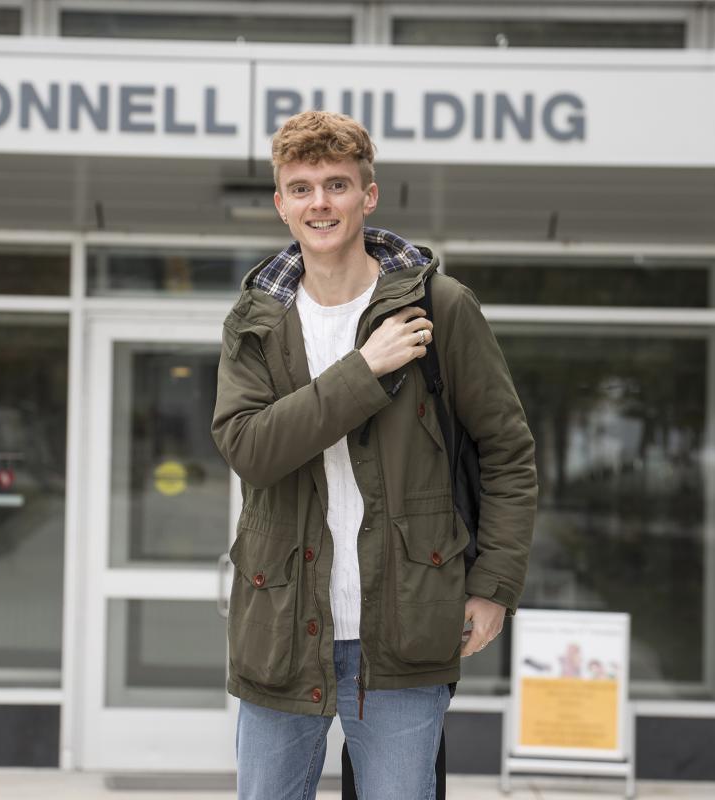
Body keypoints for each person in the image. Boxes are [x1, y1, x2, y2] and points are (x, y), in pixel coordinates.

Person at [211, 110, 537, 800]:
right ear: (280, 203)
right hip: (280, 627)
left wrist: (492, 586)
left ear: (369, 195)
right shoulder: (257, 319)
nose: (319, 203)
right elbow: (250, 449)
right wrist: (363, 371)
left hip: (408, 628)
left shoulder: (439, 308)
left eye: (336, 185)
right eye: (301, 189)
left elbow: (507, 453)